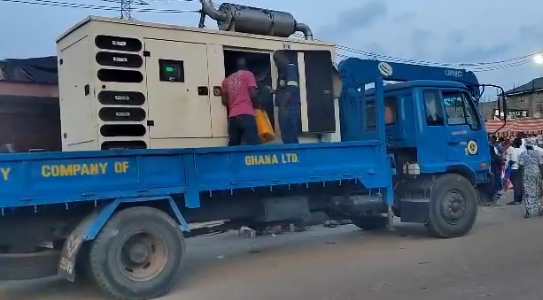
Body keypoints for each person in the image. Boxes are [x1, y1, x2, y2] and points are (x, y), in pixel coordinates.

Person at [221, 57, 260, 146]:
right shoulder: (248, 74)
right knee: (253, 145)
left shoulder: (226, 80)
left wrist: (233, 105)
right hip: (247, 115)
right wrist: (258, 107)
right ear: (246, 66)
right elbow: (253, 95)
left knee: (234, 146)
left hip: (233, 118)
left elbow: (224, 101)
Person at [273, 51, 301, 144]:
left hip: (290, 108)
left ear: (283, 58)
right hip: (284, 108)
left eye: (277, 60)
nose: (276, 64)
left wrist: (282, 106)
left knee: (290, 138)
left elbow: (292, 88)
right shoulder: (282, 72)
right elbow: (283, 88)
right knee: (286, 138)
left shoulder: (290, 67)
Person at [518, 139, 543, 218]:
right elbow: (541, 165)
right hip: (537, 174)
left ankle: (528, 212)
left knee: (528, 193)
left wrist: (520, 175)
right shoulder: (538, 153)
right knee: (538, 192)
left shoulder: (523, 154)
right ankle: (540, 210)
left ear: (526, 146)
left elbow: (521, 166)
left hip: (527, 175)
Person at [506, 138, 524, 205]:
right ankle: (520, 199)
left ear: (515, 143)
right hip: (521, 169)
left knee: (516, 185)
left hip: (514, 169)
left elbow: (513, 160)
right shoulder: (523, 150)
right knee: (521, 184)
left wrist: (509, 162)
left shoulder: (513, 151)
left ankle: (516, 200)